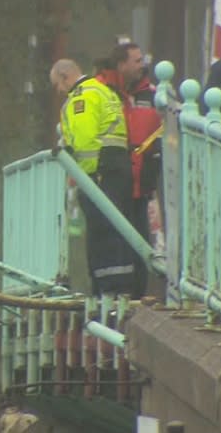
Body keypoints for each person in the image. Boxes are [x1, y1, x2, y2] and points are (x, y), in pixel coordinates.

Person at [50, 59, 135, 299]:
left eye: (58, 84)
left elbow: (85, 140)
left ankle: (105, 290)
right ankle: (122, 286)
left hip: (99, 172)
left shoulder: (80, 98)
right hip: (118, 164)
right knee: (118, 226)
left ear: (65, 77)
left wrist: (84, 176)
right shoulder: (103, 90)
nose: (59, 91)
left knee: (101, 231)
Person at [94, 43, 163, 299]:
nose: (141, 65)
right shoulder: (102, 91)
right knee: (112, 247)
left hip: (141, 183)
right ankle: (109, 298)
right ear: (121, 64)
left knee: (141, 246)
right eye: (136, 60)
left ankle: (137, 297)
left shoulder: (154, 96)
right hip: (112, 182)